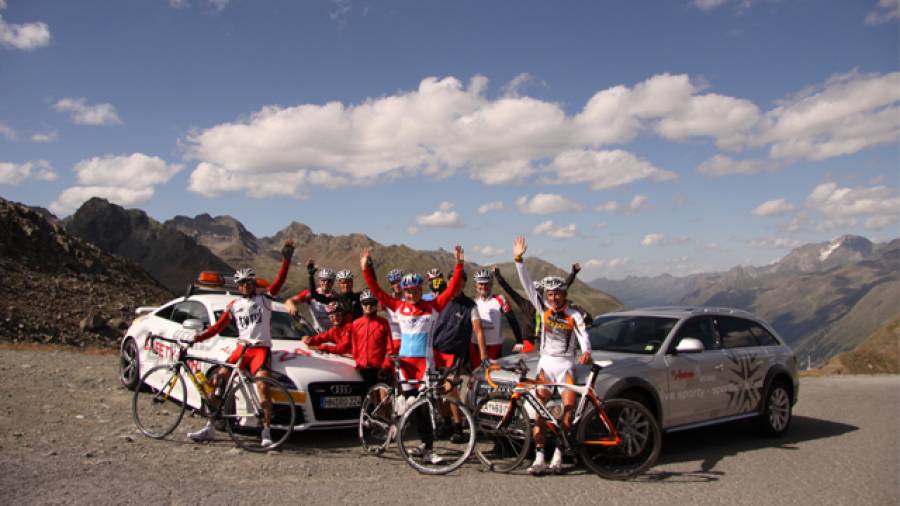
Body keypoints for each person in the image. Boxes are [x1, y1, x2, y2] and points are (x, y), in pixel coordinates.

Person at [361, 245, 465, 464]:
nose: (411, 294)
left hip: (424, 364)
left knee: (425, 405)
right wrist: (366, 270)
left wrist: (458, 265)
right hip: (405, 365)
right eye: (408, 291)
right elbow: (377, 290)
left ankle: (428, 447)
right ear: (404, 291)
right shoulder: (398, 306)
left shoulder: (433, 306)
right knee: (411, 406)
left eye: (415, 290)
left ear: (421, 289)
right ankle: (421, 442)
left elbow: (452, 288)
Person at [187, 240, 295, 448]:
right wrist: (197, 338)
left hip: (260, 350)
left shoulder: (264, 300)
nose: (245, 286)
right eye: (242, 283)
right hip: (241, 349)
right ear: (238, 286)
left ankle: (266, 431)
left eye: (248, 282)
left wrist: (286, 260)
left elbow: (279, 283)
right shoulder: (234, 305)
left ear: (254, 284)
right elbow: (217, 327)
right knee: (215, 381)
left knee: (263, 387)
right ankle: (210, 425)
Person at [512, 236, 592, 475]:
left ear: (564, 295)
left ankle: (558, 453)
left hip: (566, 366)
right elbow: (526, 285)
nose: (554, 297)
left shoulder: (573, 315)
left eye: (558, 293)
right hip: (546, 365)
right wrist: (518, 260)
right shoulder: (543, 310)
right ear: (546, 296)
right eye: (550, 294)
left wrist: (587, 351)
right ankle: (539, 456)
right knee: (539, 411)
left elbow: (583, 334)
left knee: (568, 409)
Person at [430, 269, 482, 443]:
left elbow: (478, 331)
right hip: (436, 351)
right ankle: (446, 422)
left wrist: (484, 357)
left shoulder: (470, 306)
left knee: (449, 389)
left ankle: (458, 427)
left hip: (455, 354)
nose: (457, 283)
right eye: (453, 280)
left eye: (460, 280)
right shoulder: (440, 301)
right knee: (436, 389)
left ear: (464, 282)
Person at [493, 262, 583, 353]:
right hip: (528, 341)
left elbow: (561, 289)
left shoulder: (546, 306)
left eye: (538, 292)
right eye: (534, 292)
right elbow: (509, 290)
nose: (536, 295)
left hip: (544, 339)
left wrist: (573, 273)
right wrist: (497, 275)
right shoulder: (524, 304)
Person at [314, 290, 394, 391]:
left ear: (376, 304)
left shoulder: (383, 323)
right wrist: (358, 362)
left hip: (380, 368)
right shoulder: (356, 323)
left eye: (371, 303)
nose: (368, 306)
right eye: (365, 303)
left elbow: (390, 348)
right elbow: (353, 345)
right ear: (361, 305)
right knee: (368, 401)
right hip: (363, 368)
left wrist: (386, 366)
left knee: (384, 401)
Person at [470, 269, 523, 368]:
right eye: (480, 283)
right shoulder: (473, 302)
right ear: (476, 285)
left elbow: (512, 320)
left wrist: (519, 341)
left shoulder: (500, 299)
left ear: (491, 284)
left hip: (494, 346)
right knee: (475, 375)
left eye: (487, 283)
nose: (484, 286)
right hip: (474, 345)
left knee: (493, 375)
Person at [285, 263, 337, 333]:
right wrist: (291, 306)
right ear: (319, 281)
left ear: (333, 282)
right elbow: (290, 300)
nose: (326, 283)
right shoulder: (309, 294)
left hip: (334, 333)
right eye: (323, 280)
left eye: (329, 280)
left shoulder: (337, 297)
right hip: (317, 333)